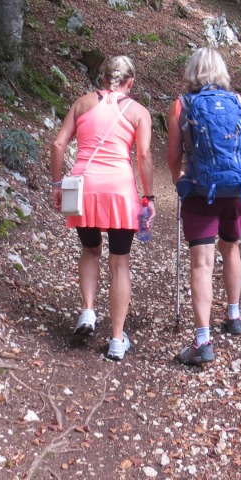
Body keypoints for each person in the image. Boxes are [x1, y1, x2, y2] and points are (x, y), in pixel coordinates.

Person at [50, 55, 155, 362]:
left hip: (84, 188)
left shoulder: (82, 103)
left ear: (103, 78)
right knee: (119, 262)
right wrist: (148, 197)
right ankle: (117, 340)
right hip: (119, 190)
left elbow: (58, 145)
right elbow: (144, 156)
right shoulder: (138, 111)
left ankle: (87, 311)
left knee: (90, 249)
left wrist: (57, 184)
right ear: (130, 82)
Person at [167, 47, 241, 366]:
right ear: (222, 71)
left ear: (191, 71)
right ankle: (233, 316)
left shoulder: (181, 105)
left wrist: (179, 180)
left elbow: (174, 156)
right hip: (236, 191)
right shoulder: (240, 103)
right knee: (231, 247)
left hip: (200, 191)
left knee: (202, 264)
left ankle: (203, 340)